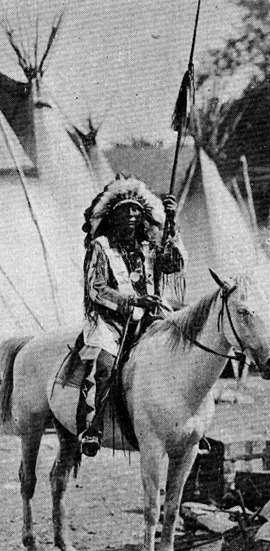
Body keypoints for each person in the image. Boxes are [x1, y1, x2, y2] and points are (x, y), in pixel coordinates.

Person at [78, 174, 186, 457]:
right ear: (112, 216)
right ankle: (92, 428)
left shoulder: (149, 247)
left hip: (149, 316)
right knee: (106, 364)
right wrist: (132, 301)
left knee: (180, 350)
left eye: (136, 210)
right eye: (124, 210)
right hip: (109, 319)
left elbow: (173, 264)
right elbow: (96, 290)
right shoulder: (100, 247)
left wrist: (171, 224)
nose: (131, 215)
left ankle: (184, 426)